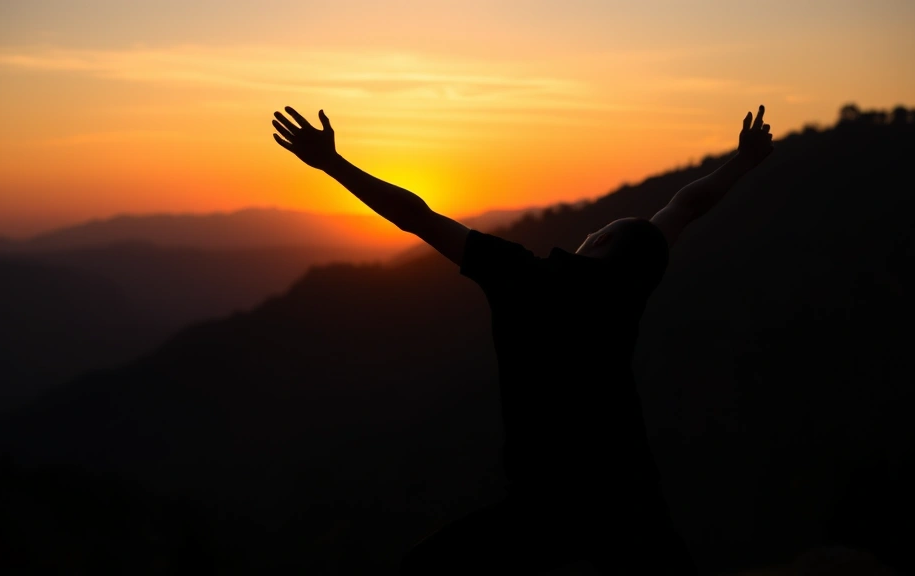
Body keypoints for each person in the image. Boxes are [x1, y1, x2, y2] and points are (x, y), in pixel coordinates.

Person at [271, 104, 775, 574]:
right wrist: (745, 161)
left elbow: (417, 216)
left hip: (542, 510)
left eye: (601, 228)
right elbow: (686, 205)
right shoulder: (628, 284)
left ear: (600, 240)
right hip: (631, 502)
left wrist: (332, 164)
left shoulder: (521, 277)